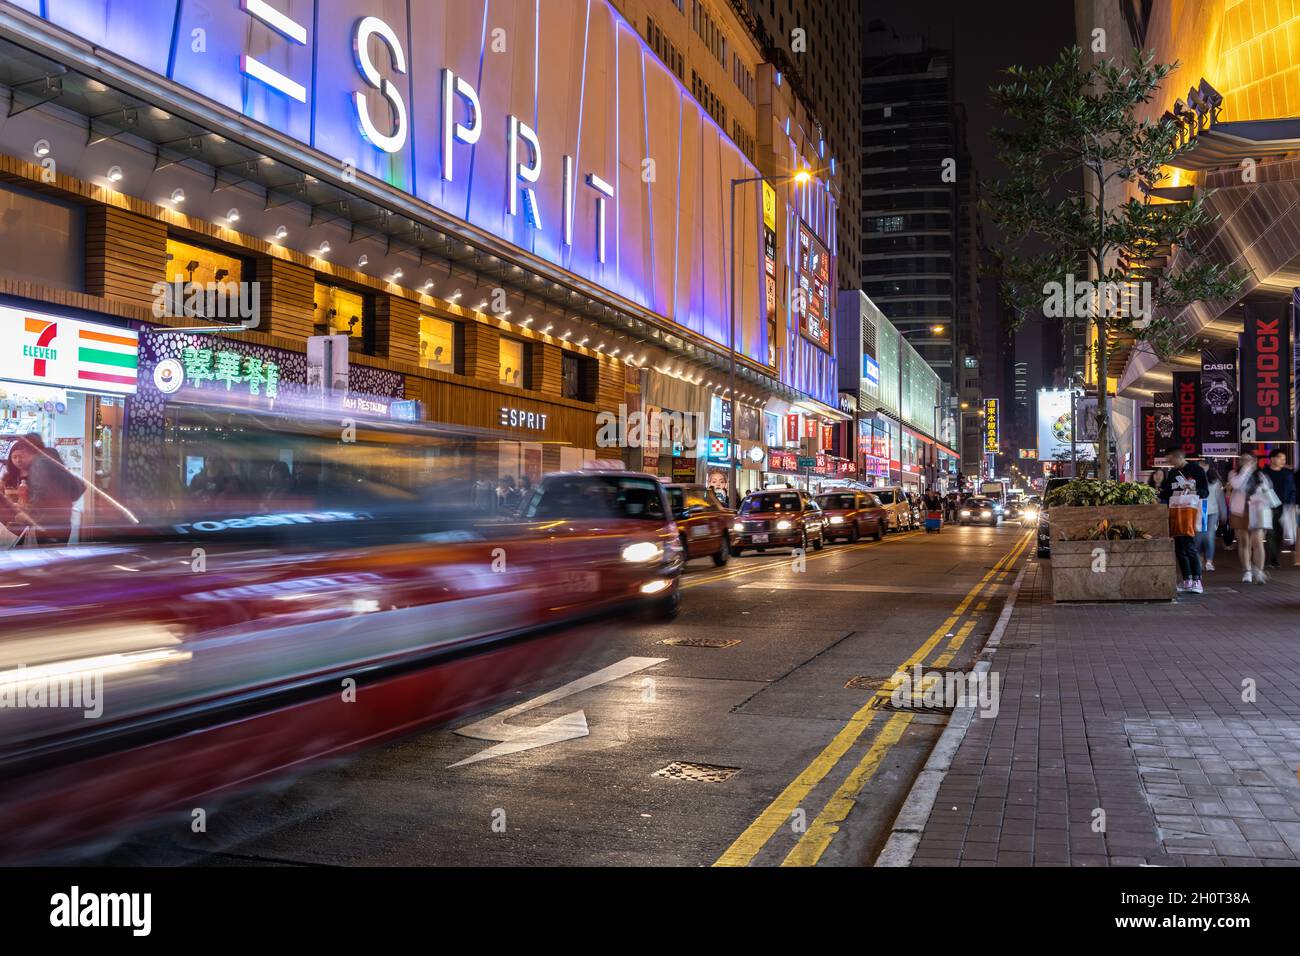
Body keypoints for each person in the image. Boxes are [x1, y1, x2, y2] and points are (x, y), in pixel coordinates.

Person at [0, 433, 84, 546]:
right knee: (56, 557)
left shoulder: (39, 464)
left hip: (47, 525)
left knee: (48, 558)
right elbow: (78, 488)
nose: (19, 459)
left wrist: (25, 513)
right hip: (63, 523)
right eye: (15, 457)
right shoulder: (52, 459)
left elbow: (40, 496)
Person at [1158, 449, 1208, 594]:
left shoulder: (1196, 470)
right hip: (1175, 511)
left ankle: (1197, 580)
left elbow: (1205, 491)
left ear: (1178, 457)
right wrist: (1157, 493)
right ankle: (1187, 579)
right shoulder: (1173, 473)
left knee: (1189, 545)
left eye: (1170, 459)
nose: (1169, 463)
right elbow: (1167, 492)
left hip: (1190, 512)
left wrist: (1192, 491)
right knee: (1179, 547)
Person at [1228, 451, 1271, 584]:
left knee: (1258, 542)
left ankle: (1259, 571)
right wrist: (1245, 470)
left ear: (1255, 461)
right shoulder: (1234, 474)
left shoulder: (1261, 475)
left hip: (1257, 511)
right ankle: (1247, 571)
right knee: (1243, 542)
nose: (1246, 462)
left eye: (1249, 460)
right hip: (1239, 511)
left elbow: (1267, 491)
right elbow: (1237, 485)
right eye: (1243, 460)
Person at [1261, 449, 1296, 569]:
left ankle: (1274, 558)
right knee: (1270, 532)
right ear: (1272, 459)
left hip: (1284, 506)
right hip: (1268, 506)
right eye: (1280, 458)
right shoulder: (1264, 473)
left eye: (1284, 459)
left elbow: (1292, 490)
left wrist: (1291, 503)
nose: (1283, 461)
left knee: (1280, 533)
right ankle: (1271, 560)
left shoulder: (1287, 473)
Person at [1197, 465, 1227, 572]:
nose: (1202, 467)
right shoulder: (1193, 479)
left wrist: (1223, 512)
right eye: (1200, 464)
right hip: (1197, 511)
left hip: (1212, 512)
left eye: (1204, 464)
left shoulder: (1215, 481)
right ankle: (1199, 558)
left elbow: (1220, 498)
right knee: (1198, 536)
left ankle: (1209, 560)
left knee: (1209, 536)